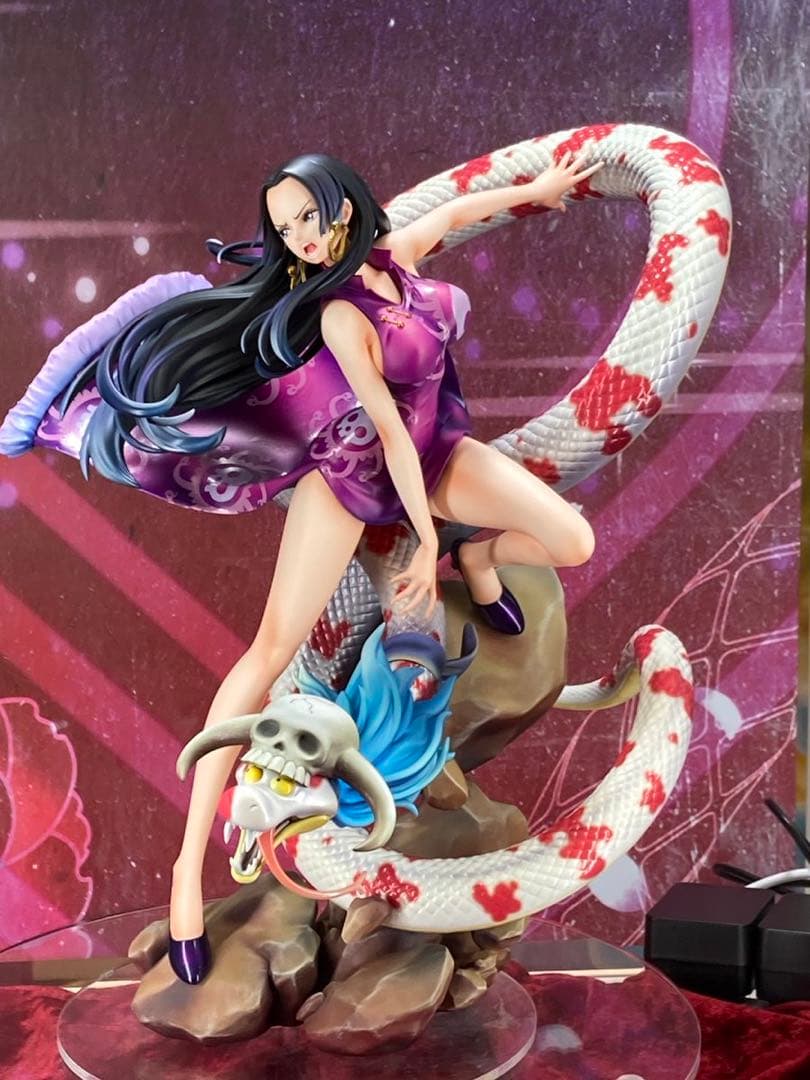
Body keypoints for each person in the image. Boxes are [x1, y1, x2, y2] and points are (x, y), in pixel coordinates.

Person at [0, 149, 600, 982]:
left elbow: (458, 214)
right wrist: (422, 541)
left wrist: (540, 190)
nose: (300, 240)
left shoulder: (397, 259)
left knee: (572, 542)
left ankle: (483, 553)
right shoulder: (338, 313)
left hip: (441, 453)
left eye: (308, 219)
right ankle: (185, 871)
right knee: (271, 649)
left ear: (342, 208)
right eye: (284, 230)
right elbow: (386, 432)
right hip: (352, 476)